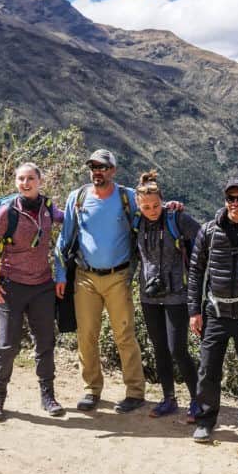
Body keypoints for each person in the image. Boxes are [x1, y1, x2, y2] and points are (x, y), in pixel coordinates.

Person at [54, 149, 146, 414]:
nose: (98, 172)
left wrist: (172, 208)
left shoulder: (127, 197)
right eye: (94, 167)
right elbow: (65, 239)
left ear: (113, 170)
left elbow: (152, 213)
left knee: (125, 335)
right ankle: (92, 389)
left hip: (118, 276)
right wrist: (60, 274)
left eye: (103, 167)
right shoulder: (78, 198)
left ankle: (135, 391)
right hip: (85, 277)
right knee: (86, 335)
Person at [0, 162, 64, 421]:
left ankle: (48, 396)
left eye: (30, 179)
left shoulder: (48, 209)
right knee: (7, 345)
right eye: (20, 179)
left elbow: (71, 219)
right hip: (11, 287)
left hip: (42, 287)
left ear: (40, 181)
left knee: (45, 343)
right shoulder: (8, 212)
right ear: (16, 182)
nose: (25, 183)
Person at [186, 177, 238, 444]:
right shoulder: (209, 231)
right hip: (215, 313)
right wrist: (193, 311)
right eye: (230, 199)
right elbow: (196, 271)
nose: (234, 204)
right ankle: (206, 420)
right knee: (208, 369)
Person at [133, 171, 201, 418]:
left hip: (177, 294)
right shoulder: (136, 221)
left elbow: (204, 237)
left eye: (155, 205)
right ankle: (168, 399)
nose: (151, 210)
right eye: (146, 206)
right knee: (159, 347)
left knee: (178, 350)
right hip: (149, 294)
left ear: (163, 200)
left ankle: (197, 400)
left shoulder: (177, 218)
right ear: (138, 205)